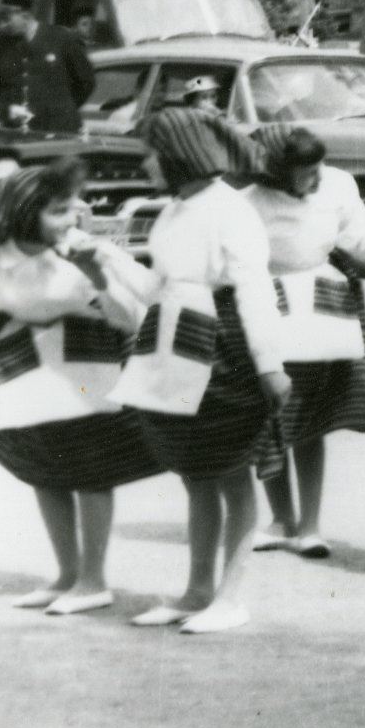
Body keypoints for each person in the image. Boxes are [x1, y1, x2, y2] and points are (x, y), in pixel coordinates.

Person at [113, 110, 291, 635]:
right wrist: (101, 257)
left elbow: (254, 288)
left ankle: (231, 597)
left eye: (150, 153)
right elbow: (154, 287)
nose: (145, 163)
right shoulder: (173, 210)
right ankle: (196, 591)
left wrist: (270, 364)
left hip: (222, 346)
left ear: (177, 154)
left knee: (230, 471)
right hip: (172, 344)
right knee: (195, 474)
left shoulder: (229, 210)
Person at [0, 158, 157, 615]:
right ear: (25, 213)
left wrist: (100, 273)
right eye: (59, 211)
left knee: (91, 468)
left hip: (90, 356)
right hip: (22, 356)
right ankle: (66, 574)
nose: (72, 219)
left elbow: (130, 316)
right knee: (43, 467)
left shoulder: (84, 249)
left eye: (71, 208)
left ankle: (93, 580)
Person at [245, 124, 365, 558]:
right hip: (268, 306)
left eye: (319, 166)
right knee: (271, 418)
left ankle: (309, 525)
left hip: (323, 309)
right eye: (307, 171)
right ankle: (280, 519)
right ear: (276, 171)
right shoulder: (248, 202)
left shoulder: (340, 185)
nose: (318, 176)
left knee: (310, 419)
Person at [0, 0, 96, 135]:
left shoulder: (60, 39)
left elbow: (86, 82)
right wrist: (7, 111)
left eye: (6, 18)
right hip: (18, 134)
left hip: (61, 132)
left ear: (25, 15)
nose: (1, 25)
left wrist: (61, 108)